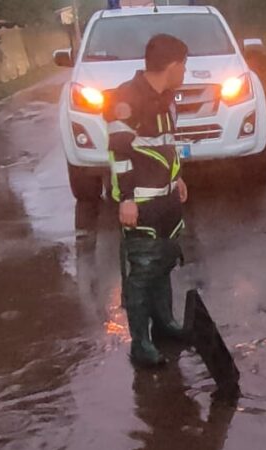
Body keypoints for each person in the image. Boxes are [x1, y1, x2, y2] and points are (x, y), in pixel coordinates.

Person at [104, 34, 190, 367]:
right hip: (139, 202)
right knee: (140, 271)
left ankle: (165, 324)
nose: (185, 71)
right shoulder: (127, 98)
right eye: (184, 64)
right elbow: (120, 153)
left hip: (165, 198)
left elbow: (165, 144)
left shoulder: (165, 98)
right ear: (173, 65)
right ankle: (141, 343)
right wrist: (126, 199)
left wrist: (177, 177)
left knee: (162, 262)